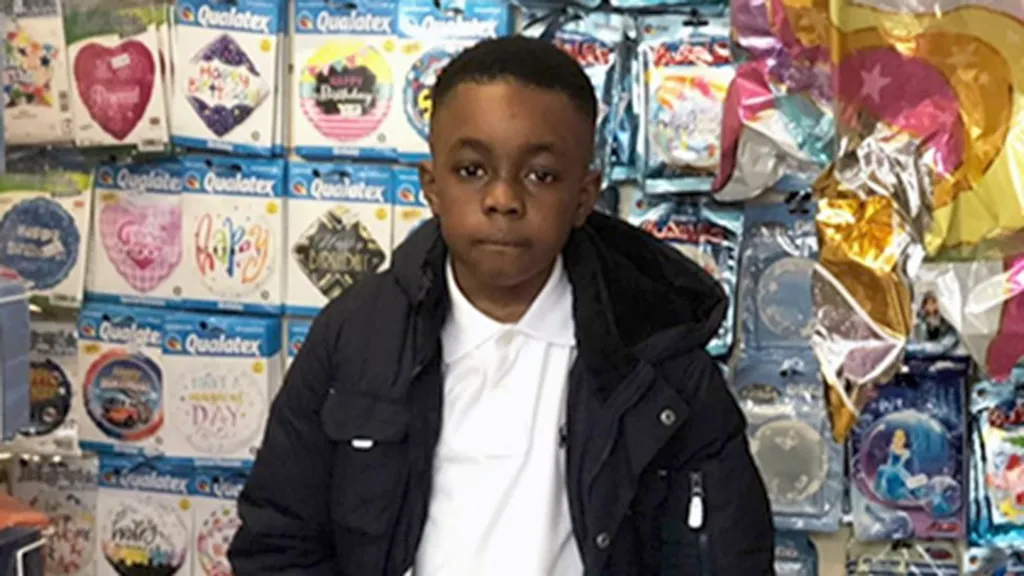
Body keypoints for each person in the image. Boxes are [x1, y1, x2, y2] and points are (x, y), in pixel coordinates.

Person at [229, 36, 774, 575]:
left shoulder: (660, 357)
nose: (504, 199)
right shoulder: (355, 339)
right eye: (472, 170)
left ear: (584, 198)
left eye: (541, 175)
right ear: (431, 186)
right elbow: (279, 544)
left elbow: (728, 557)